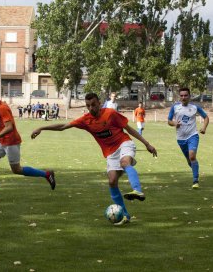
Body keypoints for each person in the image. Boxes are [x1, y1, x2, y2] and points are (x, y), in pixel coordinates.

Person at [31, 93, 157, 225]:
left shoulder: (110, 114)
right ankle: (125, 215)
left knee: (125, 162)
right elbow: (63, 127)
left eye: (93, 105)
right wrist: (41, 127)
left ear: (99, 103)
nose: (91, 108)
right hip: (110, 152)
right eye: (88, 106)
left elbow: (129, 129)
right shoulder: (86, 120)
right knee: (112, 181)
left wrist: (147, 144)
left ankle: (137, 190)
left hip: (124, 143)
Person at [0, 85, 55, 200]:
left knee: (16, 170)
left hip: (11, 141)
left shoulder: (3, 108)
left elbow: (9, 127)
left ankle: (46, 174)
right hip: (2, 141)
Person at [168, 87, 209, 189]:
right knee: (189, 160)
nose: (183, 97)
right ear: (179, 96)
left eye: (185, 95)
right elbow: (169, 120)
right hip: (180, 138)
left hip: (193, 136)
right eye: (181, 95)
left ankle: (195, 181)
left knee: (192, 156)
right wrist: (174, 123)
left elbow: (206, 117)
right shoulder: (175, 107)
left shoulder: (195, 107)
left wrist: (204, 128)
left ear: (189, 96)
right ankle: (195, 170)